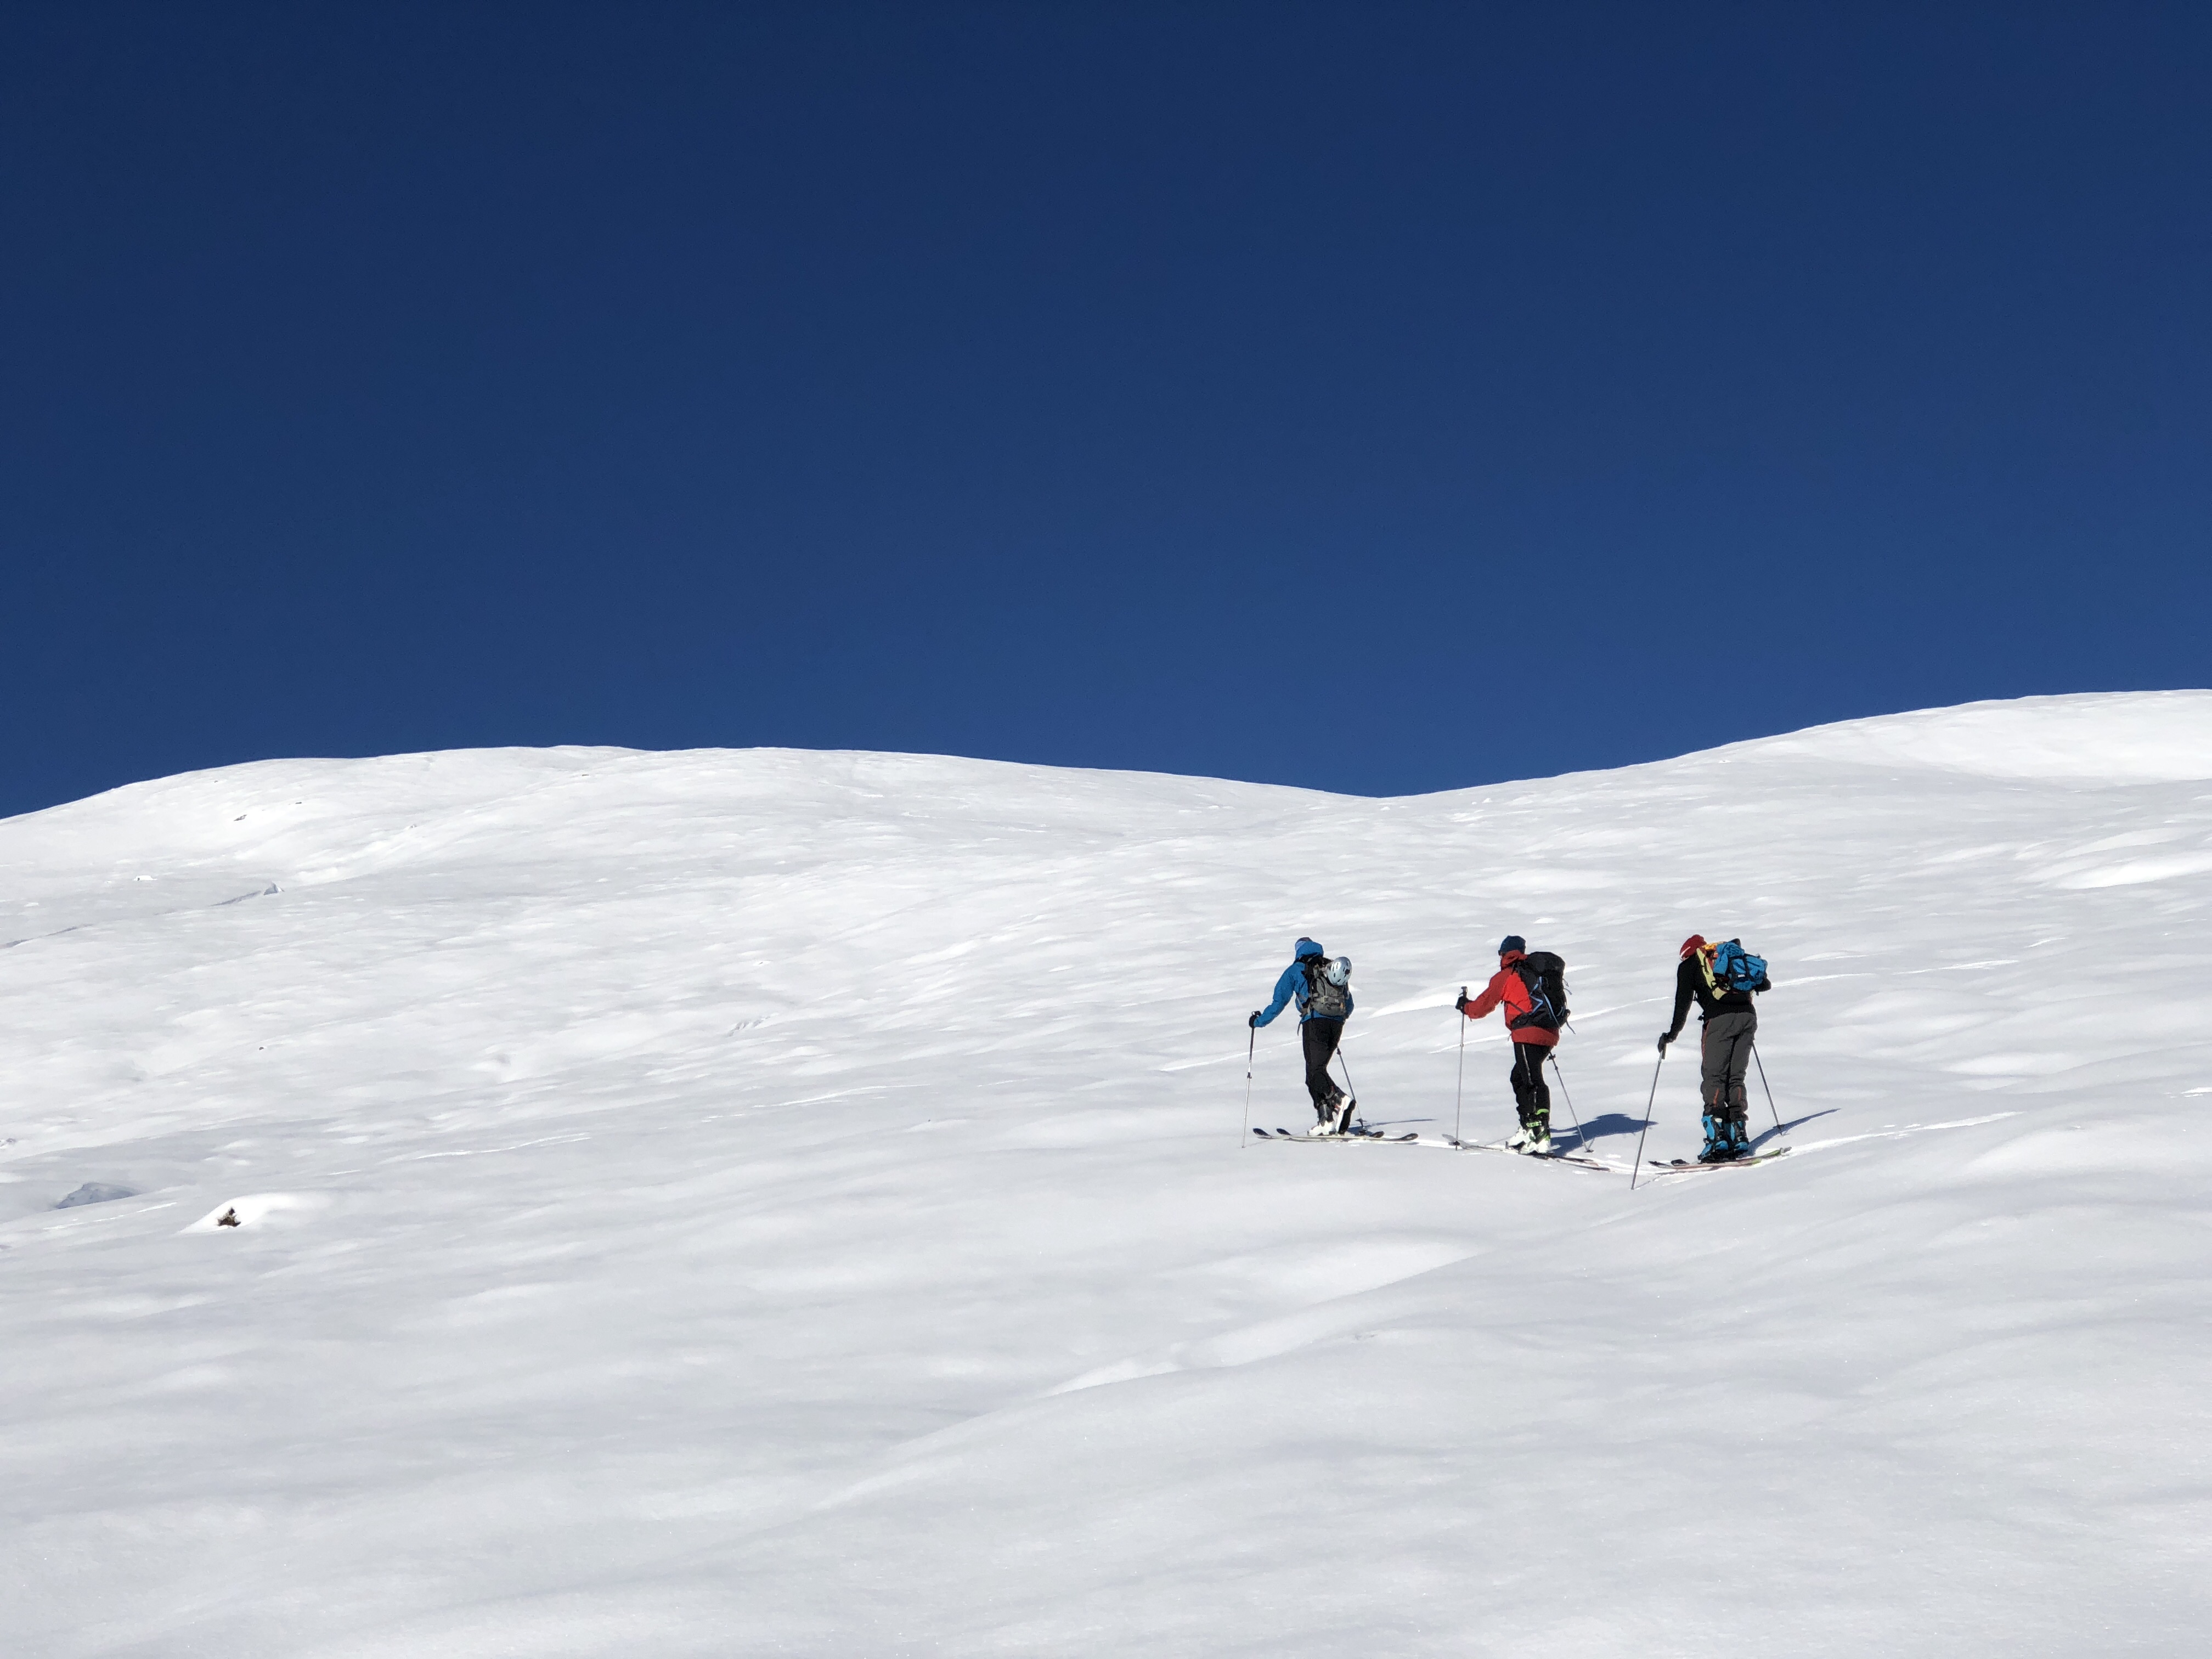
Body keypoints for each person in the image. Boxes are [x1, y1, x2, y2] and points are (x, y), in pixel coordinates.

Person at [1658, 934, 1761, 1162]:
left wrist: (1671, 1035)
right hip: (1748, 1018)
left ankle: (1718, 1139)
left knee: (1714, 1076)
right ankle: (1739, 1134)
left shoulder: (1689, 966)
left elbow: (1682, 1003)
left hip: (1719, 1021)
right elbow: (1764, 984)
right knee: (1736, 1076)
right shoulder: (1727, 959)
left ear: (1687, 953)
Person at [1454, 935, 1560, 1152]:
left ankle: (1539, 1131)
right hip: (1549, 1032)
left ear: (1504, 954)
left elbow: (1483, 1006)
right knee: (1520, 1077)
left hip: (1526, 1032)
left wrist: (1465, 1007)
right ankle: (1527, 1126)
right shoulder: (1534, 973)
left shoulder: (1508, 975)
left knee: (1531, 1080)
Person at [1250, 938, 1355, 1134]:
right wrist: (1337, 1019)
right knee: (1315, 1074)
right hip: (1336, 1025)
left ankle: (1340, 1100)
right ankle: (1325, 1120)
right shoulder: (1330, 967)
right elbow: (1349, 1005)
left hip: (1314, 1023)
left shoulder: (1296, 970)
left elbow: (1279, 1002)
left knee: (1315, 1072)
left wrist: (1258, 1021)